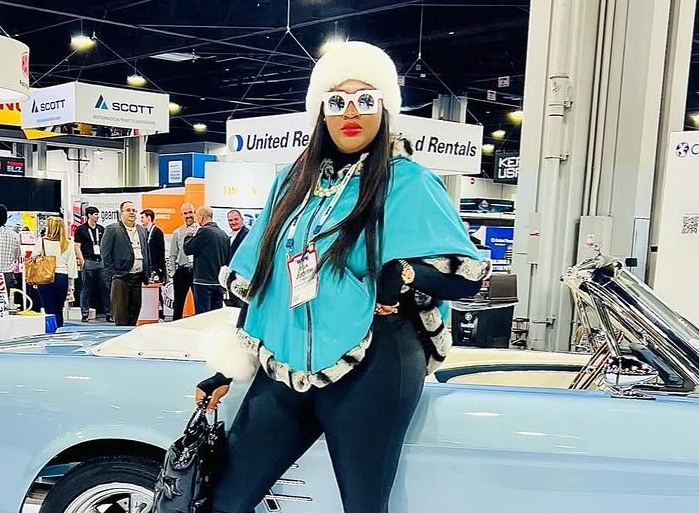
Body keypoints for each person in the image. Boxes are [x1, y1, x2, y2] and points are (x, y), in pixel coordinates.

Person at [194, 42, 483, 513]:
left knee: (363, 506)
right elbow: (261, 280)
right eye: (337, 100)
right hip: (285, 359)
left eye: (365, 99)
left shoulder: (408, 180)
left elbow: (465, 277)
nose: (351, 112)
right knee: (225, 500)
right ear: (321, 111)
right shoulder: (292, 183)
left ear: (384, 108)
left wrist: (405, 272)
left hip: (376, 358)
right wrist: (231, 364)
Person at [100, 201, 150, 326]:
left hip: (137, 277)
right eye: (128, 210)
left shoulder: (142, 230)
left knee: (135, 312)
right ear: (121, 213)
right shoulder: (112, 229)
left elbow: (146, 252)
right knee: (121, 315)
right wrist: (112, 275)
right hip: (120, 277)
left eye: (134, 210)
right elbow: (105, 254)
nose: (132, 213)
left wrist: (147, 273)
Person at [183, 206, 230, 314]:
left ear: (202, 217)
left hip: (203, 281)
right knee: (215, 316)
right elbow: (227, 259)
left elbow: (188, 249)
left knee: (202, 316)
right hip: (218, 282)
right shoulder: (224, 235)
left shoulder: (204, 231)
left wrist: (188, 236)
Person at [35, 217, 77, 328]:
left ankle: (51, 331)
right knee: (59, 308)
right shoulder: (68, 244)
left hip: (46, 276)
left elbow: (34, 258)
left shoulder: (42, 242)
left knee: (49, 309)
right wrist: (71, 285)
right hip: (62, 278)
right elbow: (72, 265)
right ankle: (59, 330)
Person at [74, 206, 112, 322]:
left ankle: (109, 313)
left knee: (105, 288)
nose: (97, 216)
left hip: (100, 261)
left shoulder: (101, 229)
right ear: (89, 215)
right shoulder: (81, 229)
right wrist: (82, 261)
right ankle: (85, 313)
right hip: (88, 261)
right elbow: (77, 246)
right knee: (86, 288)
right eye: (95, 214)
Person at [168, 203, 197, 320]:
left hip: (197, 271)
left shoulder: (202, 231)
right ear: (181, 215)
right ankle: (176, 326)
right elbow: (172, 255)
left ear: (195, 213)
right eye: (185, 213)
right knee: (178, 304)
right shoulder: (177, 232)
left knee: (199, 303)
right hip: (182, 271)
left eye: (190, 212)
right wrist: (173, 273)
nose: (188, 215)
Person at [140, 208, 167, 319]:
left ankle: (160, 314)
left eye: (143, 217)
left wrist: (160, 269)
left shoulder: (157, 232)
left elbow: (160, 251)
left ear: (149, 217)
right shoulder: (144, 232)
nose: (141, 220)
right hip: (147, 266)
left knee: (157, 292)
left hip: (156, 266)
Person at [226, 210, 249, 307]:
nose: (233, 222)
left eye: (236, 219)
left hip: (242, 279)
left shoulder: (247, 235)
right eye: (230, 220)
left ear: (242, 220)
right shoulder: (228, 236)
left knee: (241, 308)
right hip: (231, 278)